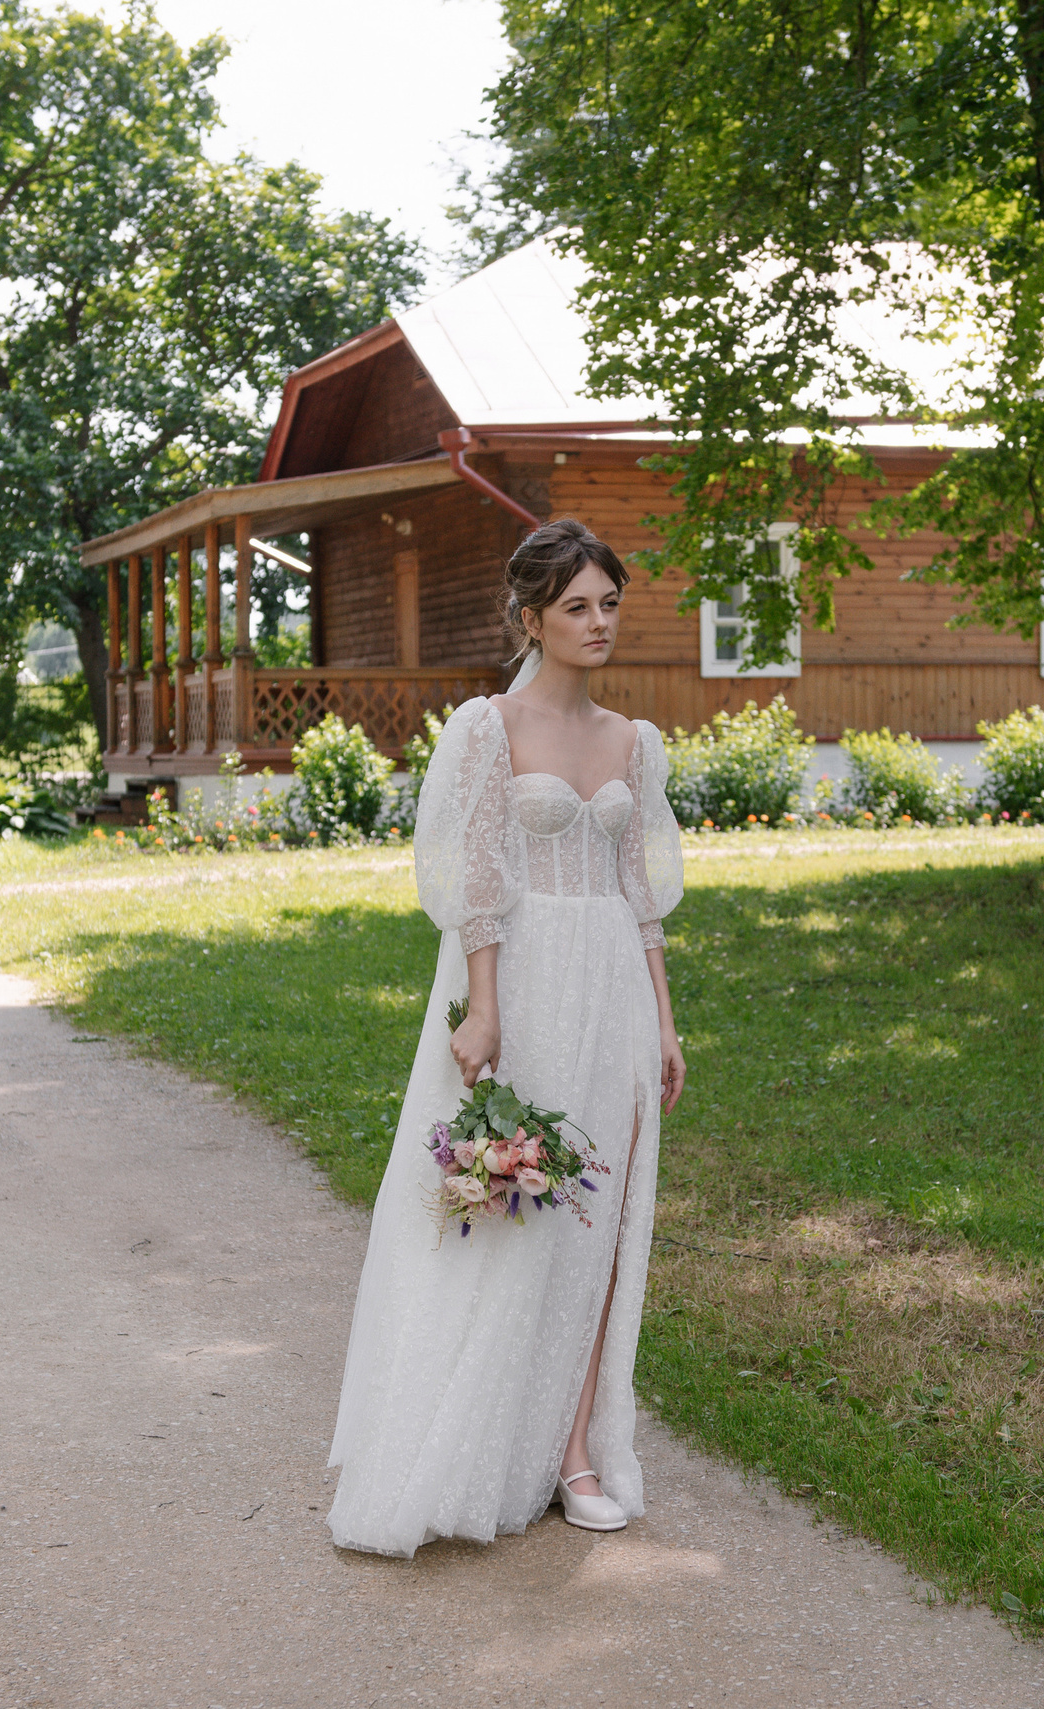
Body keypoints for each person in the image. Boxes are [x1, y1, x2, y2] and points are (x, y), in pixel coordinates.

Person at [327, 518, 687, 1556]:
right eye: (576, 605)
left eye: (609, 602)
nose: (598, 621)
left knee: (599, 1219)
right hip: (523, 980)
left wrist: (663, 1021)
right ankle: (470, 1432)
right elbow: (475, 876)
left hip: (613, 988)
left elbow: (640, 895)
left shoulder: (635, 741)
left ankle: (574, 1449)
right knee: (511, 1203)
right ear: (530, 617)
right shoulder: (487, 726)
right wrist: (483, 1005)